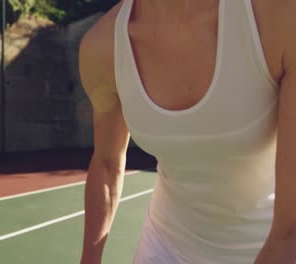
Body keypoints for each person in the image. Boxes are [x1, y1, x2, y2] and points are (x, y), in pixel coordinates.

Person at [78, 0, 296, 263]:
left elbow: (290, 229)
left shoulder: (279, 17)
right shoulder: (102, 48)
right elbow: (106, 161)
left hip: (272, 247)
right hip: (164, 248)